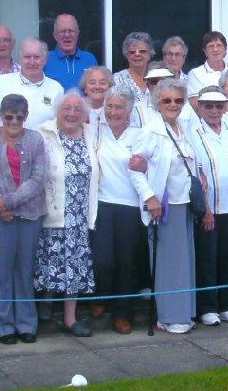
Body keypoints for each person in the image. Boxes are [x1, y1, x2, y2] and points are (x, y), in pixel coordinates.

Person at [0, 94, 47, 344]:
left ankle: (26, 324)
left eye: (20, 117)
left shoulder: (35, 139)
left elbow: (37, 178)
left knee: (24, 270)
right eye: (9, 116)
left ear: (26, 117)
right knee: (2, 270)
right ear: (1, 115)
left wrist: (11, 201)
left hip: (29, 213)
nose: (14, 121)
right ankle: (3, 326)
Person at [129, 78, 200, 334]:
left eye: (178, 100)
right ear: (158, 103)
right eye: (167, 100)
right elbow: (134, 169)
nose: (173, 105)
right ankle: (169, 317)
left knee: (183, 262)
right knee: (168, 264)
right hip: (164, 207)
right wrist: (150, 198)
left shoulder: (183, 127)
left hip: (185, 205)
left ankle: (184, 312)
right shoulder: (150, 130)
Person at [35, 93, 98, 337]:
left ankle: (70, 319)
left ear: (84, 114)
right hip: (53, 210)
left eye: (76, 109)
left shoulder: (91, 134)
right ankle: (45, 305)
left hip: (80, 214)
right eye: (66, 108)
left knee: (74, 265)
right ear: (57, 111)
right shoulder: (44, 133)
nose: (71, 113)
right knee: (50, 264)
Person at [92, 85, 145, 334]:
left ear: (130, 111)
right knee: (103, 261)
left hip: (130, 206)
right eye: (109, 106)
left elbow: (148, 168)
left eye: (119, 107)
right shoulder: (94, 129)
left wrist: (144, 166)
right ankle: (102, 296)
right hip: (102, 204)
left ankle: (123, 313)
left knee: (126, 262)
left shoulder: (139, 134)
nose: (113, 112)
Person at [190, 86, 228, 326]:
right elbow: (197, 173)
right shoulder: (193, 133)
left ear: (225, 107)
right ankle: (208, 307)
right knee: (207, 258)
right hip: (208, 210)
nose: (214, 111)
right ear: (200, 107)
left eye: (218, 106)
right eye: (208, 106)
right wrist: (207, 211)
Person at [0, 38, 64, 130]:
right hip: (4, 144)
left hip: (44, 144)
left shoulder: (56, 89)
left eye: (36, 57)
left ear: (44, 60)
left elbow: (60, 127)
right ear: (20, 59)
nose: (32, 62)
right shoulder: (0, 83)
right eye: (27, 57)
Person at [44, 14, 98, 92]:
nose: (67, 35)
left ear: (77, 34)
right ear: (55, 35)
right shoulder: (45, 59)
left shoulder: (89, 59)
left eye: (71, 31)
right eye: (62, 31)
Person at [186, 31, 228, 108]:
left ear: (225, 49)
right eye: (211, 46)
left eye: (219, 45)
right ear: (205, 51)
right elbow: (196, 105)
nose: (215, 49)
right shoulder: (195, 74)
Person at [113, 31, 155, 104]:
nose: (137, 54)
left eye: (142, 51)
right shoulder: (117, 80)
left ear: (149, 54)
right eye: (132, 52)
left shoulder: (158, 77)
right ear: (126, 55)